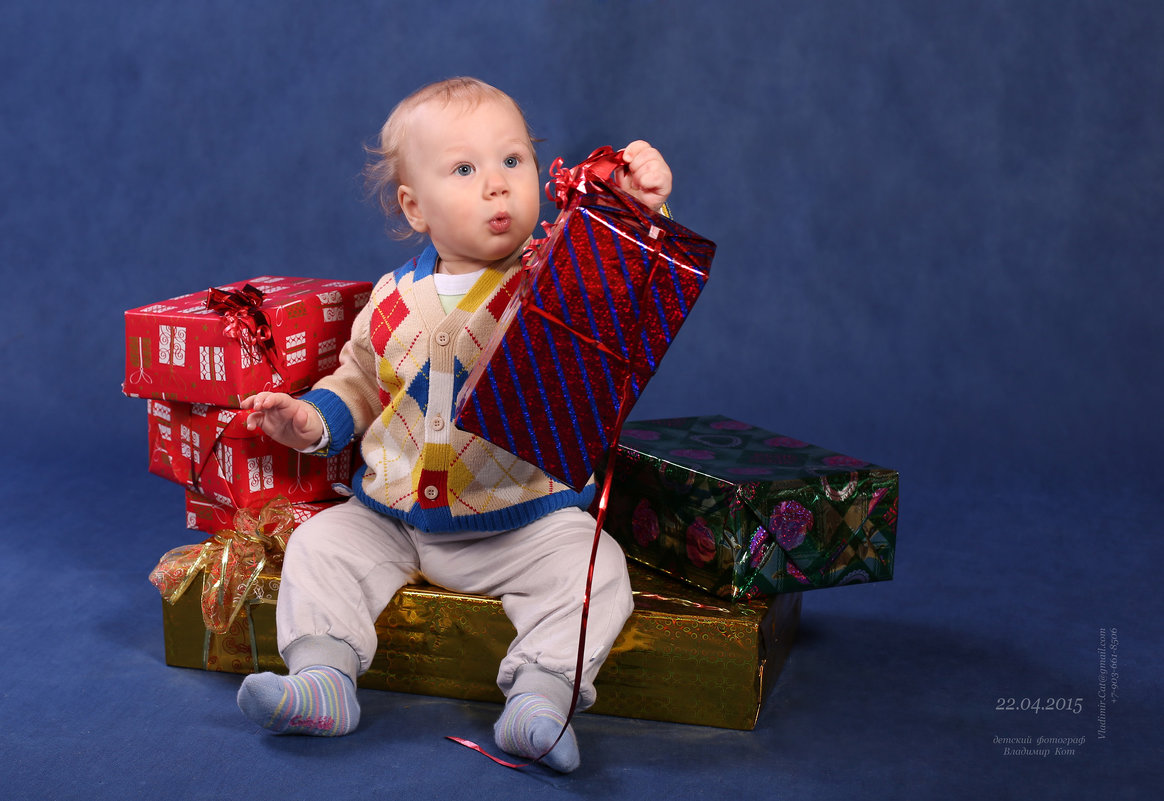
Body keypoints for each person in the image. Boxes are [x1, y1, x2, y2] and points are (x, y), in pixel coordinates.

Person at [235, 76, 673, 773]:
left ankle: (540, 693)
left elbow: (617, 284)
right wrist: (309, 420)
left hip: (519, 517)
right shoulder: (390, 298)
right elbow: (357, 381)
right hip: (396, 514)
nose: (497, 186)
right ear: (415, 206)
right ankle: (324, 678)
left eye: (513, 161)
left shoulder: (552, 276)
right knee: (320, 545)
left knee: (594, 564)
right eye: (465, 170)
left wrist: (634, 201)